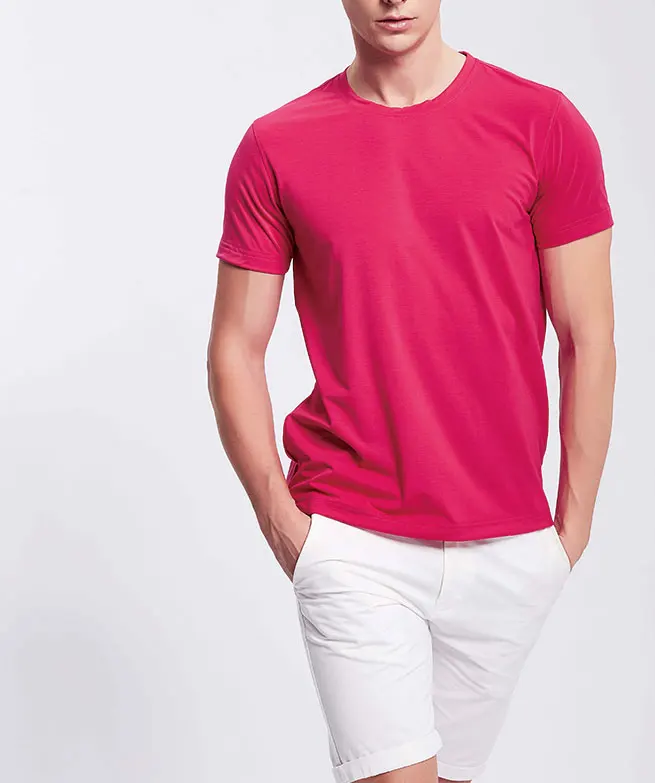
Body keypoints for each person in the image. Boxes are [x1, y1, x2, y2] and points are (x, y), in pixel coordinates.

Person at [207, 1, 616, 781]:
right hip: (353, 536)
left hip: (507, 543)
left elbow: (588, 336)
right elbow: (235, 344)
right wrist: (282, 521)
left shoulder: (543, 125)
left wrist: (571, 530)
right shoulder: (277, 145)